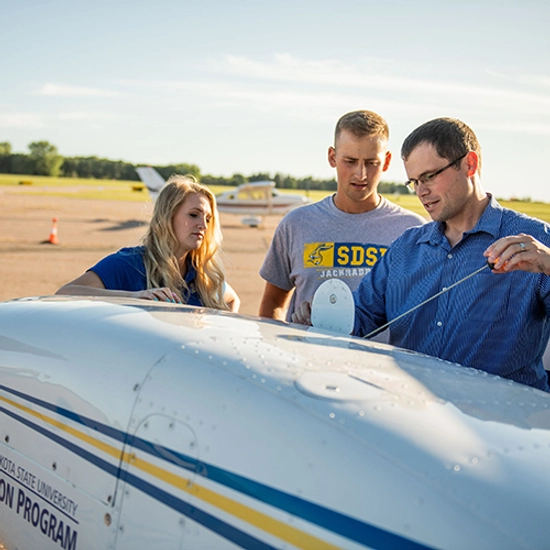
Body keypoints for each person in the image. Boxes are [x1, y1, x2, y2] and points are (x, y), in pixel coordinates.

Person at [294, 117, 550, 391]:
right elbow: (358, 318)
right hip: (414, 421)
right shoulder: (405, 249)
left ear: (470, 164)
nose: (421, 192)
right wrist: (321, 316)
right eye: (413, 182)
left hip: (503, 425)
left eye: (429, 177)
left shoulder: (535, 243)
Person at [258, 110, 426, 324]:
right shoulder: (296, 224)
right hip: (307, 357)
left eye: (371, 162)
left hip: (381, 358)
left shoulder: (412, 230)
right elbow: (273, 303)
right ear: (332, 157)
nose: (361, 174)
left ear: (387, 161)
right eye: (350, 161)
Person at [56, 174, 240, 311]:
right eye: (193, 215)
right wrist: (133, 297)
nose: (203, 225)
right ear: (168, 216)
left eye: (208, 219)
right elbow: (64, 294)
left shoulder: (202, 274)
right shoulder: (130, 264)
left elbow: (232, 300)